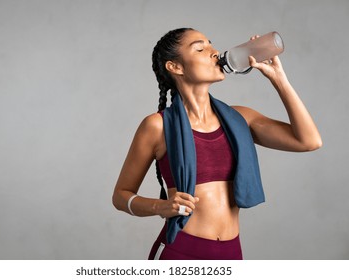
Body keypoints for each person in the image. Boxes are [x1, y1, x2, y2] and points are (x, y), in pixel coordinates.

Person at [112, 27, 322, 260]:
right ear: (176, 67)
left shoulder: (241, 118)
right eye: (201, 48)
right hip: (181, 251)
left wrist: (279, 80)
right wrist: (159, 207)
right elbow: (121, 196)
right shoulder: (157, 126)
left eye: (212, 45)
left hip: (231, 253)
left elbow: (308, 141)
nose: (215, 52)